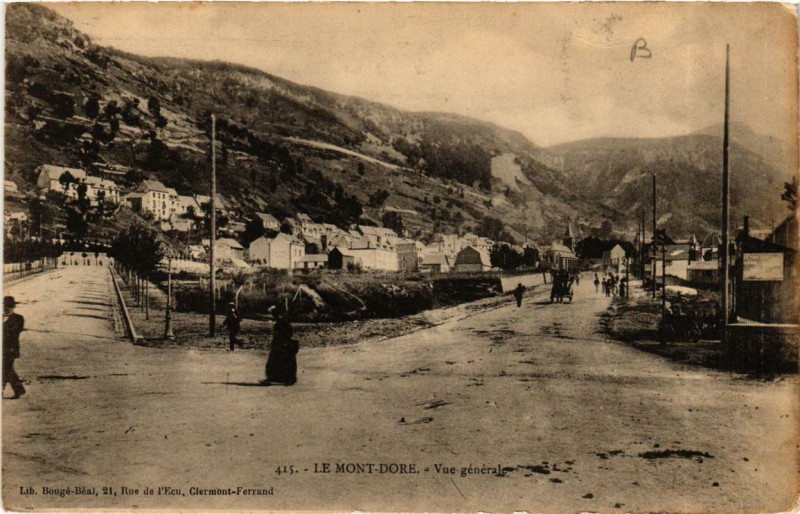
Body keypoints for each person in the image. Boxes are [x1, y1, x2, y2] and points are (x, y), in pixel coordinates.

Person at [264, 305, 298, 386]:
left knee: (286, 362)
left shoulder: (283, 322)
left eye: (274, 314)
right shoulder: (280, 321)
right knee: (274, 362)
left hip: (283, 344)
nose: (274, 316)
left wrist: (283, 340)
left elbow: (289, 333)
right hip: (279, 344)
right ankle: (273, 378)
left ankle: (290, 379)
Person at [3, 296, 26, 399]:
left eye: (10, 306)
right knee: (7, 369)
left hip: (11, 348)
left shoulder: (18, 318)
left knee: (6, 369)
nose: (7, 308)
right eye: (6, 306)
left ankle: (3, 390)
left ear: (14, 307)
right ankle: (19, 389)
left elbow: (15, 332)